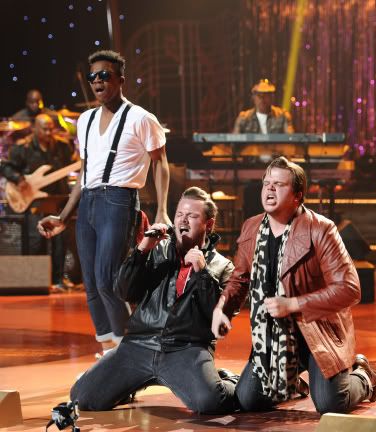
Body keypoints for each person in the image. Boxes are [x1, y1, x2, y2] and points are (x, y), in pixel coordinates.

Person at [211, 156, 376, 414]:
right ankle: (291, 385)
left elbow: (350, 288)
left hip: (317, 333)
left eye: (279, 184)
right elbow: (240, 278)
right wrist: (222, 308)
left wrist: (293, 304)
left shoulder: (320, 229)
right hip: (274, 337)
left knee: (331, 404)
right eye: (266, 183)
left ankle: (364, 377)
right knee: (248, 400)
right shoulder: (252, 227)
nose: (269, 189)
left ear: (297, 196)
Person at [37, 50, 170, 355]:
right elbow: (86, 174)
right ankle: (109, 348)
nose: (97, 81)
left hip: (118, 200)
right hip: (88, 203)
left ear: (120, 80)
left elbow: (160, 161)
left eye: (104, 75)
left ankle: (129, 352)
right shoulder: (85, 120)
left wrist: (162, 209)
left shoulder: (141, 118)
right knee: (91, 283)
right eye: (93, 76)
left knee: (108, 278)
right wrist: (63, 216)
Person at [70, 187, 238, 414]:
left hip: (185, 349)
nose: (183, 220)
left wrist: (203, 273)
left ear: (208, 224)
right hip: (139, 345)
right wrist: (141, 251)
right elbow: (124, 292)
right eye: (180, 214)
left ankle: (227, 380)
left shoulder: (223, 267)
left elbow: (219, 319)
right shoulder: (157, 250)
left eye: (192, 216)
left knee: (211, 402)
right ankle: (130, 382)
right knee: (82, 397)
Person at [1, 113, 75, 290]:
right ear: (35, 128)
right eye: (44, 129)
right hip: (34, 203)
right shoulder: (23, 148)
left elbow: (72, 163)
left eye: (50, 129)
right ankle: (39, 280)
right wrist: (18, 179)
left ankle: (58, 280)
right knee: (36, 240)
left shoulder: (62, 146)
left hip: (57, 199)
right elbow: (6, 167)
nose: (48, 132)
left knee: (60, 240)